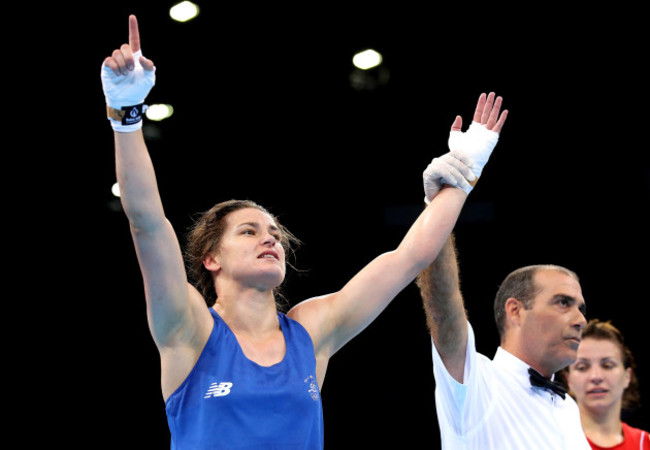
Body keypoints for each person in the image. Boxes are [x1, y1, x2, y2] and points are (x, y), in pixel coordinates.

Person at [100, 14, 508, 449]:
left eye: (274, 232)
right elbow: (146, 222)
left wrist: (464, 174)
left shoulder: (311, 332)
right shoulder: (189, 329)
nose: (270, 238)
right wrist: (127, 116)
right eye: (249, 232)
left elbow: (407, 258)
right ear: (210, 258)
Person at [417, 236, 592, 447]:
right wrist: (439, 212)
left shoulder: (569, 408)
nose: (581, 320)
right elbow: (443, 308)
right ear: (515, 311)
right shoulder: (476, 383)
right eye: (563, 303)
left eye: (581, 309)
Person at [563, 319, 649, 449]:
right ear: (569, 380)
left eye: (607, 365)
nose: (596, 377)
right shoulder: (550, 441)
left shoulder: (646, 443)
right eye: (582, 367)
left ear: (627, 376)